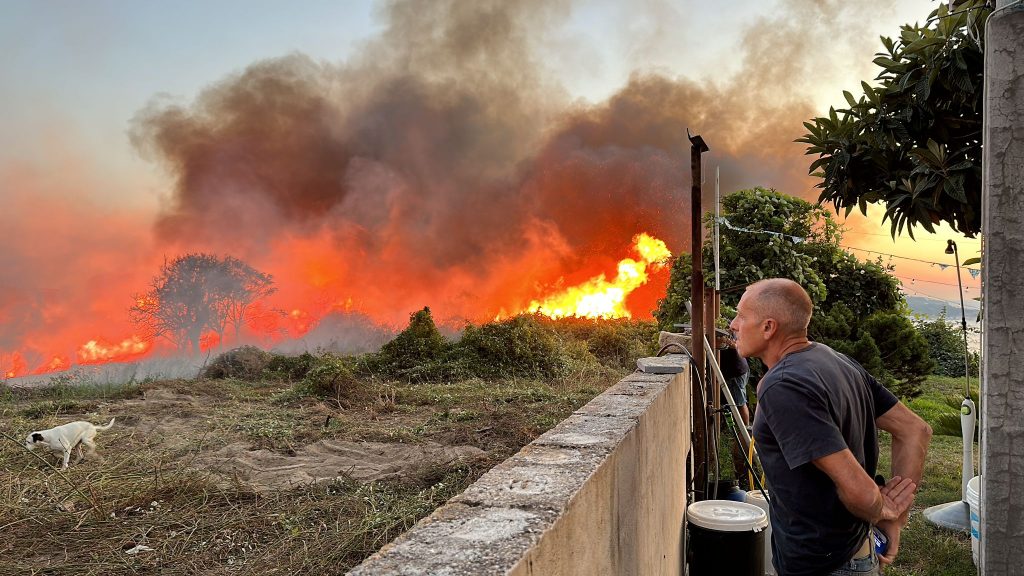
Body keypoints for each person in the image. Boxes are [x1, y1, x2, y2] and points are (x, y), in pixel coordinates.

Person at [729, 278, 931, 576]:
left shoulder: (782, 385)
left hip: (823, 564)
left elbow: (861, 493)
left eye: (741, 316)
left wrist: (886, 510)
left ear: (768, 327)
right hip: (855, 553)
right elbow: (915, 430)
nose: (733, 324)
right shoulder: (835, 359)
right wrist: (892, 519)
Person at [717, 336, 750, 426]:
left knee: (739, 404)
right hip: (735, 369)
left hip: (734, 372)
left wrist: (730, 343)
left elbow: (738, 345)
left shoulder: (725, 326)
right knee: (736, 403)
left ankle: (745, 434)